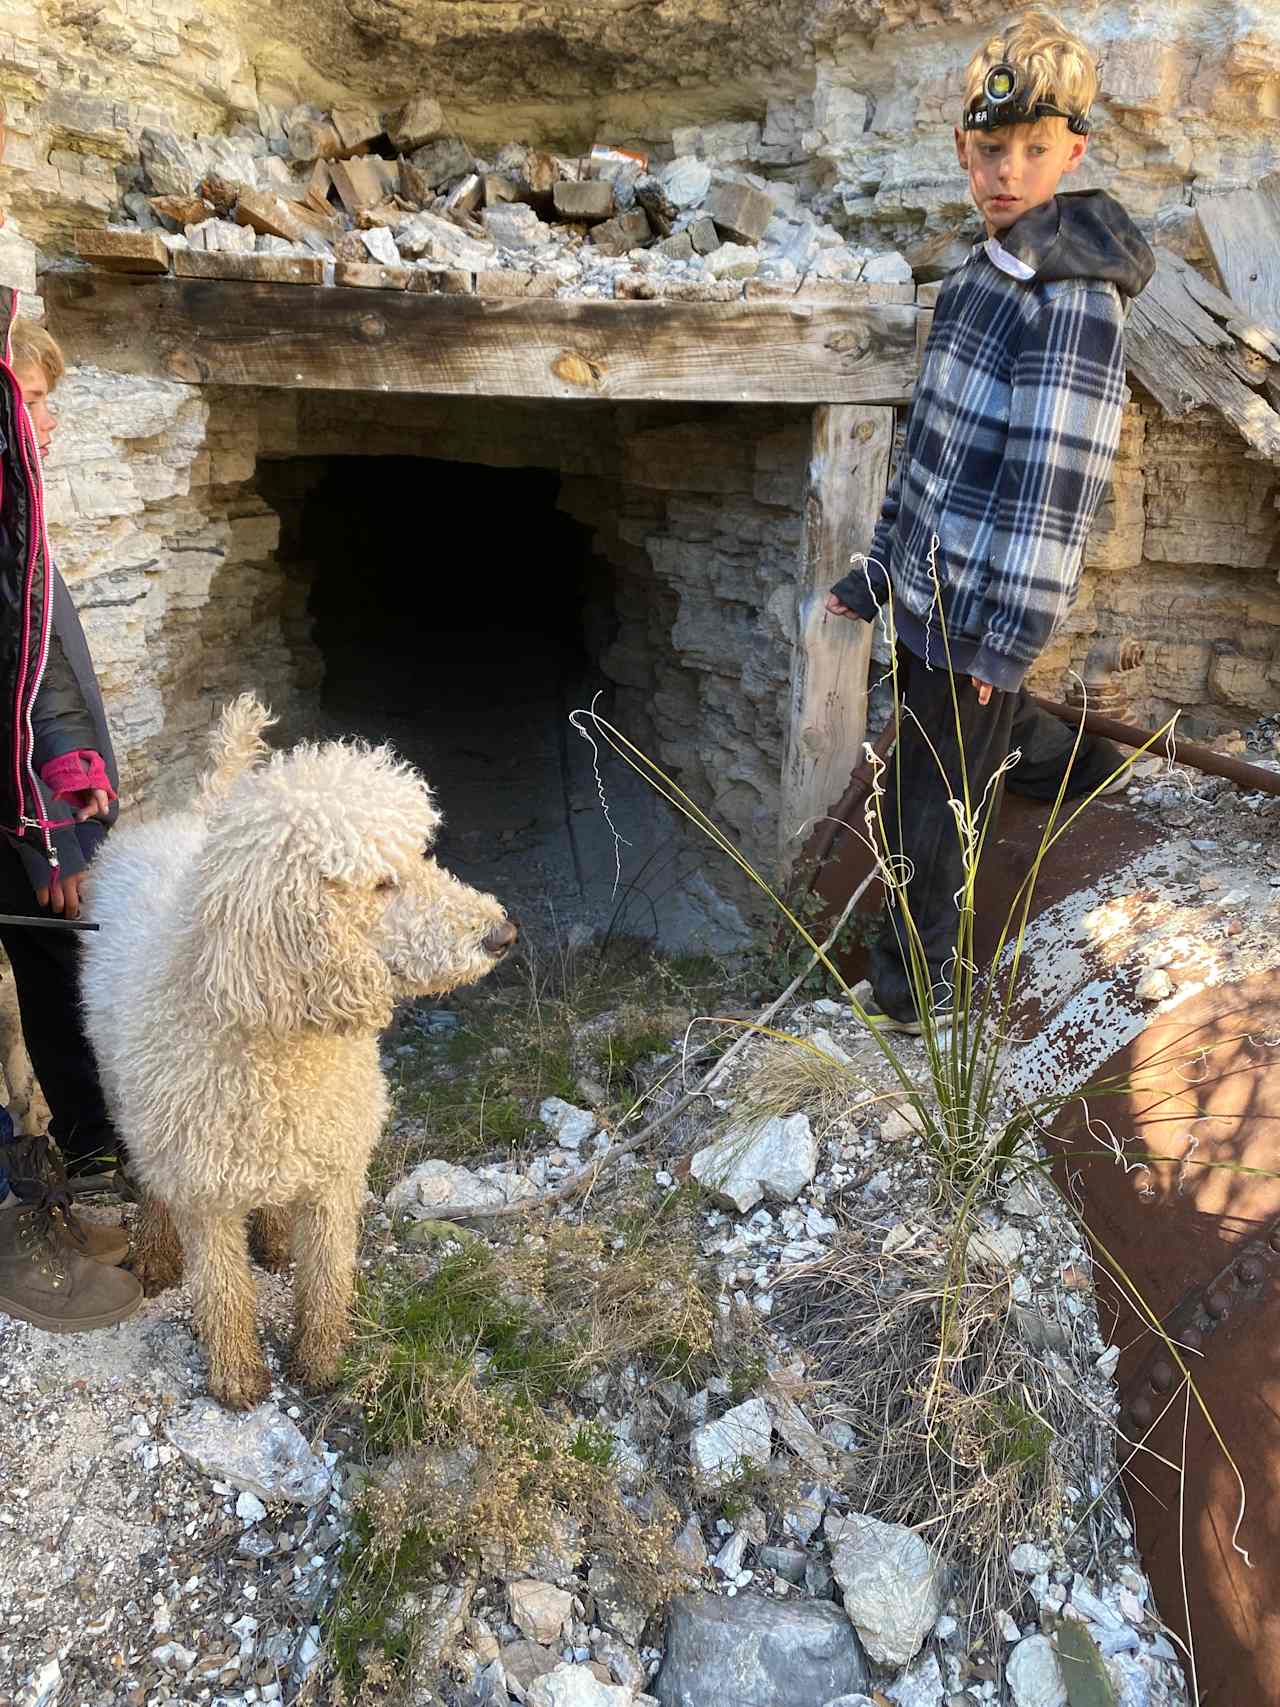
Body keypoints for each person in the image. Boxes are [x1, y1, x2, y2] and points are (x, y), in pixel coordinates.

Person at [824, 10, 1154, 1033]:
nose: (1007, 171)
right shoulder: (978, 271)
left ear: (1073, 153)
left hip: (975, 603)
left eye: (1033, 150)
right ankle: (1086, 770)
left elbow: (1051, 484)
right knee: (960, 741)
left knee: (927, 801)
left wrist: (1005, 635)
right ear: (962, 150)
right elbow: (927, 444)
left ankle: (911, 992)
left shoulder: (1069, 300)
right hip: (926, 587)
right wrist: (876, 571)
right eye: (989, 149)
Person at [0, 194, 141, 1327]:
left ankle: (88, 1157)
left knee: (55, 963)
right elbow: (25, 670)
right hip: (19, 819)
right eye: (36, 400)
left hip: (20, 808)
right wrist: (58, 824)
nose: (50, 423)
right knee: (54, 958)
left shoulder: (15, 511)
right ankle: (54, 1179)